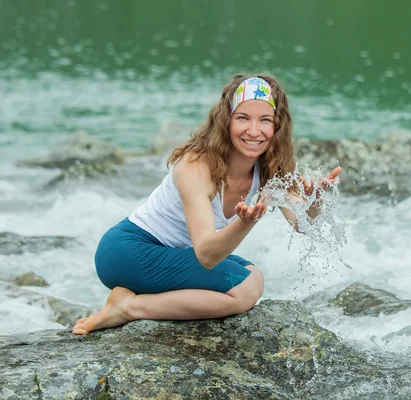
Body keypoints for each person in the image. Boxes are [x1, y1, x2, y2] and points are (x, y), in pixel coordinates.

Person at [72, 74, 342, 335]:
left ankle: (132, 300)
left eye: (265, 120)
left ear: (277, 126)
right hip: (127, 253)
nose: (254, 131)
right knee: (245, 289)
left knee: (253, 275)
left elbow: (301, 224)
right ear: (226, 122)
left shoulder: (270, 168)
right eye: (243, 118)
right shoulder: (195, 166)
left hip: (170, 254)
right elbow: (206, 255)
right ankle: (128, 307)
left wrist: (315, 203)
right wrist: (245, 223)